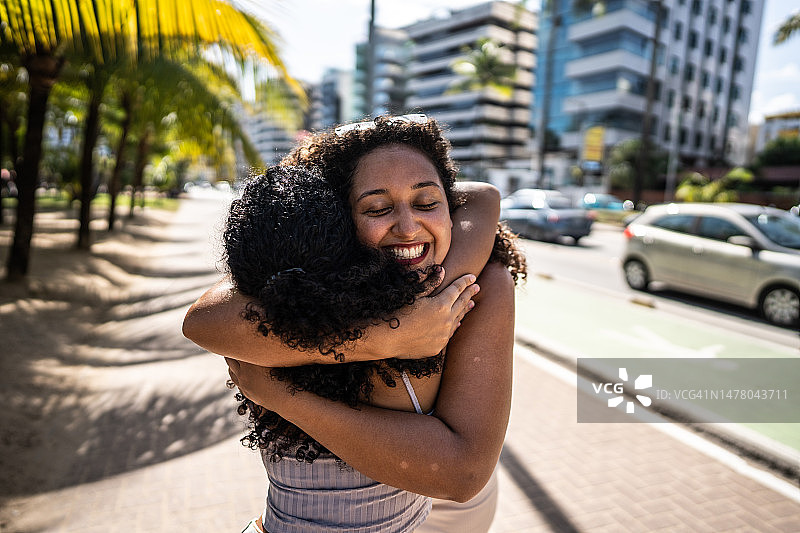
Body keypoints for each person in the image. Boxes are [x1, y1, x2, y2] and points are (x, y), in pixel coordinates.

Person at [183, 115, 527, 532]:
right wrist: (388, 337)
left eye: (427, 203)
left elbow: (482, 196)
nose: (407, 226)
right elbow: (202, 322)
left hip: (452, 517)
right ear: (340, 222)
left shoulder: (471, 283)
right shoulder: (304, 281)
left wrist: (282, 394)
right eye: (377, 208)